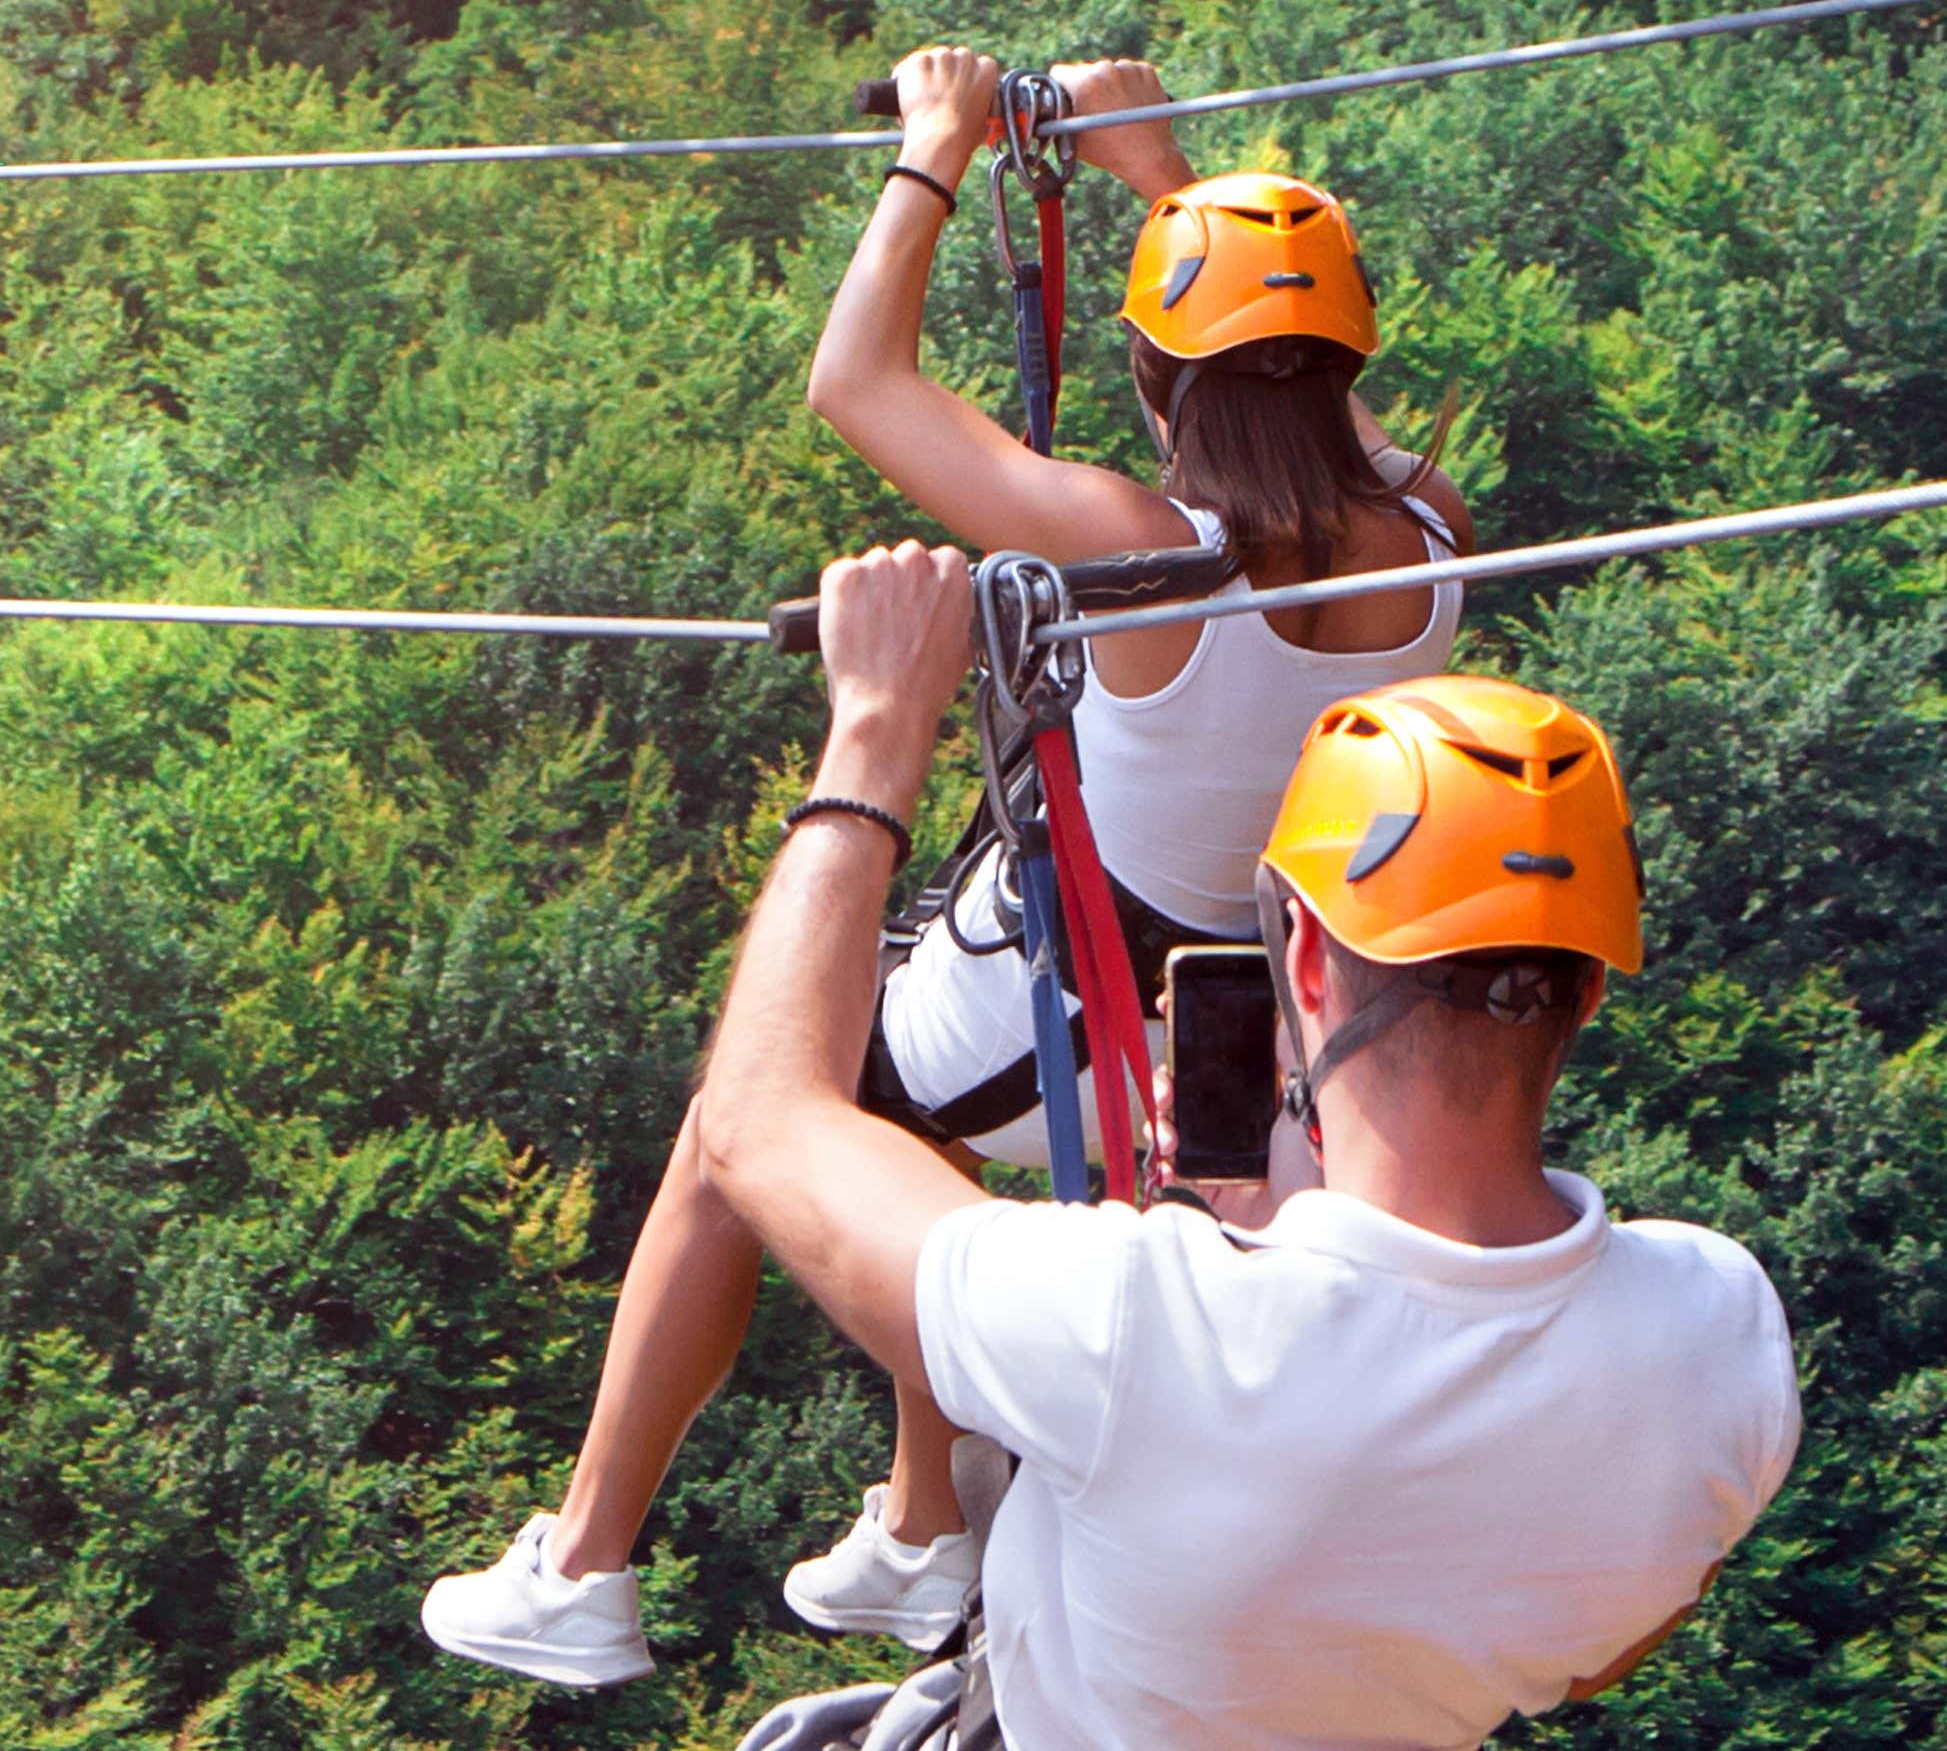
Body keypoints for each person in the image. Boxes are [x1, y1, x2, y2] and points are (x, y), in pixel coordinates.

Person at [424, 47, 1486, 1680]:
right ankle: (922, 1527)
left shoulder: (1133, 549)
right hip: (1236, 1026)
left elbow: (853, 383)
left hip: (1071, 1000)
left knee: (743, 1118)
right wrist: (1163, 180)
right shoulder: (1433, 541)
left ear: (1152, 381)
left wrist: (932, 148)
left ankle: (581, 1565)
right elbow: (1307, 406)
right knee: (903, 1120)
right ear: (1339, 358)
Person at [688, 548, 1797, 1746]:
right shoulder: (1715, 1342)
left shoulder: (1137, 1324)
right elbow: (1581, 1653)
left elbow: (760, 1120)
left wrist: (876, 725)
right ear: (1584, 996)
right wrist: (1271, 1238)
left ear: (1307, 963)